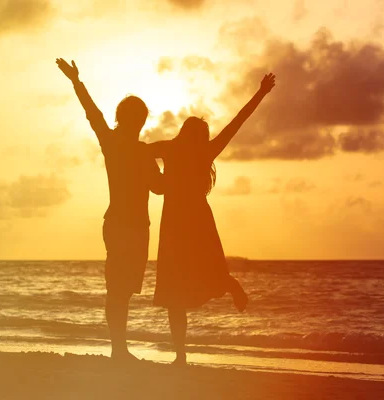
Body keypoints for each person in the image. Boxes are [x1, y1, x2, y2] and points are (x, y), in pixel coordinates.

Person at [147, 73, 276, 365]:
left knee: (173, 294)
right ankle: (228, 284)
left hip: (176, 225)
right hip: (199, 222)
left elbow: (140, 152)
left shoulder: (169, 147)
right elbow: (237, 123)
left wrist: (156, 180)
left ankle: (181, 355)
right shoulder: (204, 151)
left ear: (183, 132)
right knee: (199, 275)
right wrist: (261, 93)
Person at [56, 58, 164, 361]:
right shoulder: (115, 142)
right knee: (118, 288)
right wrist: (77, 82)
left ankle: (120, 348)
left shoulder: (140, 151)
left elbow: (158, 187)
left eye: (141, 118)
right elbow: (93, 114)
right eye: (135, 117)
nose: (138, 122)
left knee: (124, 289)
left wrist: (181, 166)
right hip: (120, 224)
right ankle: (119, 349)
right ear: (126, 118)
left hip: (136, 226)